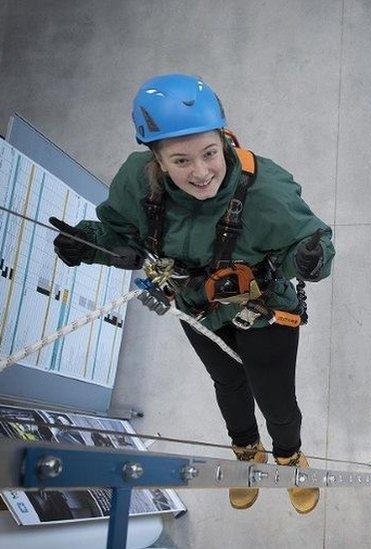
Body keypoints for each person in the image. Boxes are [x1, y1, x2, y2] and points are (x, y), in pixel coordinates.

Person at [51, 73, 335, 514]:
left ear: (224, 139)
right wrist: (91, 243)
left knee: (275, 395)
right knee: (227, 383)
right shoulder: (137, 184)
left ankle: (288, 457)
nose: (201, 173)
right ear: (157, 160)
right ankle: (247, 455)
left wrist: (310, 260)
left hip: (262, 310)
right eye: (181, 161)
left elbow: (307, 240)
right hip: (197, 306)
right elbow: (120, 232)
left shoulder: (266, 191)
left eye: (209, 153)